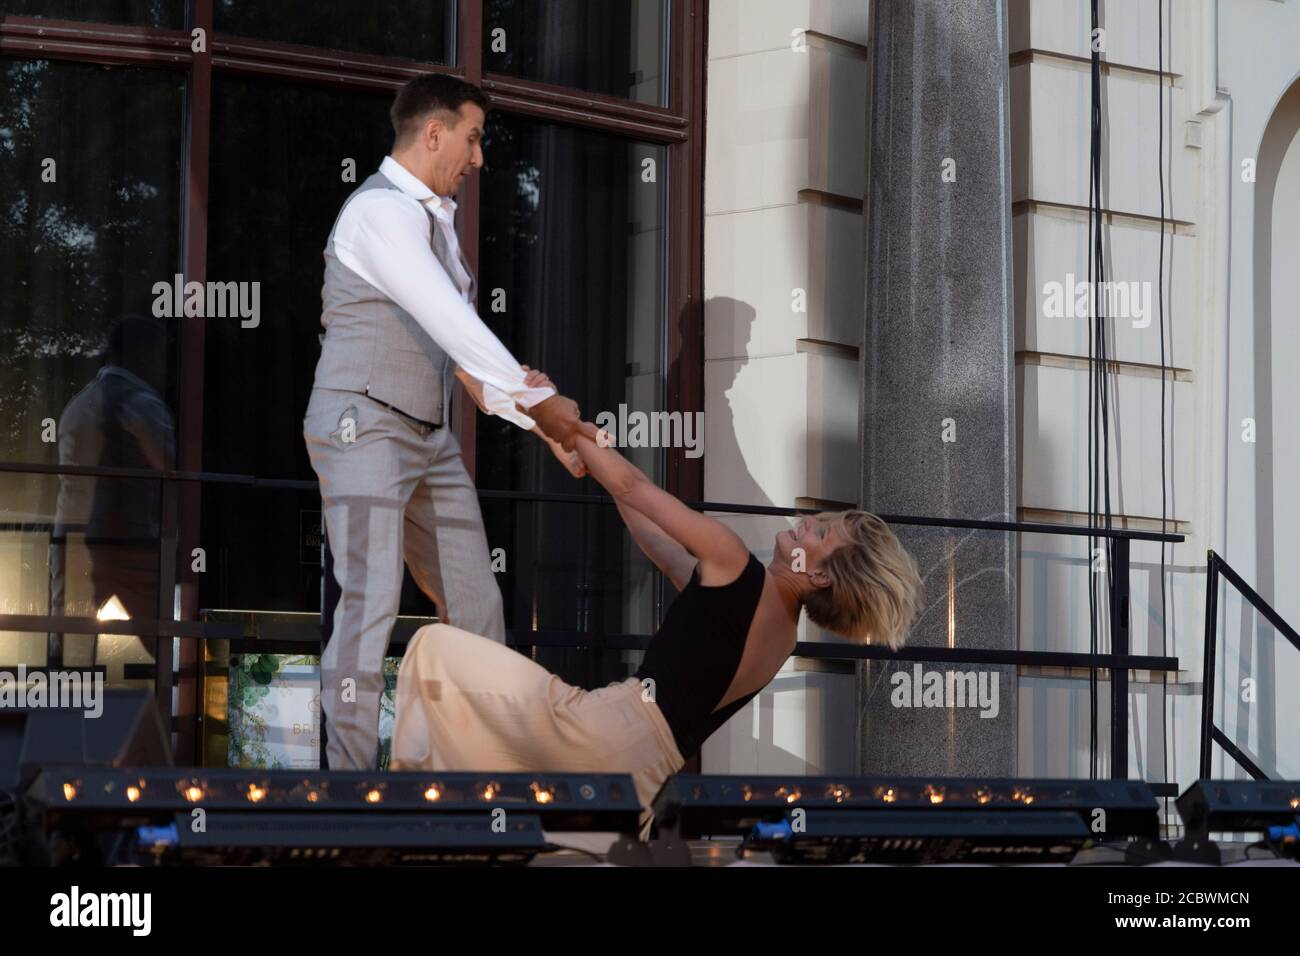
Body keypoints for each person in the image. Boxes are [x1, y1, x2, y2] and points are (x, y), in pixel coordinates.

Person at [391, 386, 925, 837]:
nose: (809, 522)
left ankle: (407, 817)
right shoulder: (780, 635)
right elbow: (658, 540)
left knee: (435, 652)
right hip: (646, 778)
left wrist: (557, 418)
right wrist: (590, 452)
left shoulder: (734, 559)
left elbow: (635, 487)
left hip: (606, 731)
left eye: (823, 532)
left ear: (822, 574)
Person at [304, 73, 594, 772]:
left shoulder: (439, 224)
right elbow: (450, 320)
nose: (479, 157)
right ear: (433, 133)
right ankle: (347, 789)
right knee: (370, 605)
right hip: (363, 423)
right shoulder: (379, 212)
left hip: (426, 437)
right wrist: (543, 409)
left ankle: (466, 773)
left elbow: (463, 358)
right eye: (474, 138)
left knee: (477, 607)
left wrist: (542, 421)